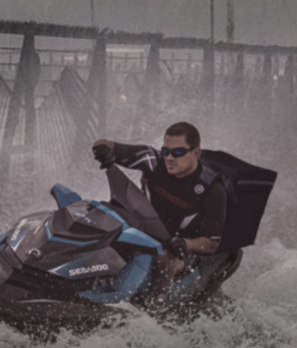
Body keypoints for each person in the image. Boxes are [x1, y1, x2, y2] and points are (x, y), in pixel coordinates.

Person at [91, 122, 227, 297]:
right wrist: (103, 150)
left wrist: (185, 244)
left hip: (178, 249)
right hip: (140, 230)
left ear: (196, 153)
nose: (169, 157)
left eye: (178, 152)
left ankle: (156, 314)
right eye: (166, 151)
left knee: (165, 258)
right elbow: (104, 144)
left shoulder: (211, 189)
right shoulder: (152, 160)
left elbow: (212, 244)